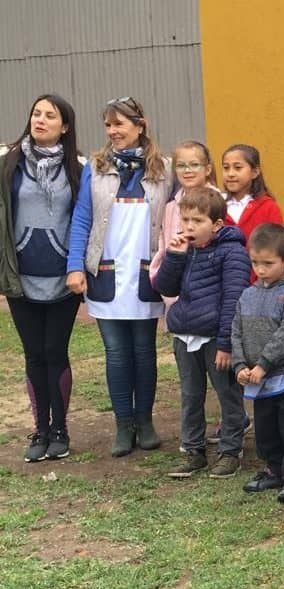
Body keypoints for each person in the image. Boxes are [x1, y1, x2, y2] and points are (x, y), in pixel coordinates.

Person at [65, 96, 173, 457]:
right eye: (108, 125)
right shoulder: (94, 168)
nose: (113, 132)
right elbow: (82, 218)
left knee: (144, 352)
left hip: (145, 272)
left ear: (139, 125)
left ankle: (145, 421)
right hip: (107, 272)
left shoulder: (164, 169)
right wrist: (76, 266)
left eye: (119, 124)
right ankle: (123, 425)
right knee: (115, 352)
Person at [0, 94, 83, 462]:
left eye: (51, 115)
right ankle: (40, 429)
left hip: (64, 279)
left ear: (64, 126)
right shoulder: (8, 164)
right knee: (34, 354)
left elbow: (84, 221)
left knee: (55, 351)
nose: (41, 120)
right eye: (36, 113)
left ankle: (60, 429)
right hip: (21, 278)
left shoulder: (77, 168)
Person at [154, 188, 250, 479]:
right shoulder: (186, 251)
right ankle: (193, 450)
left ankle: (230, 450)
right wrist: (174, 257)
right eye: (185, 220)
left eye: (197, 221)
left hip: (215, 339)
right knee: (190, 394)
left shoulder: (233, 252)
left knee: (228, 394)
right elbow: (166, 288)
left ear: (217, 225)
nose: (189, 227)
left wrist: (226, 344)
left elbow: (233, 300)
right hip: (185, 335)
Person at [232, 223, 284, 502]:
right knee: (265, 426)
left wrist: (264, 363)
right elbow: (237, 330)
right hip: (255, 375)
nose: (261, 270)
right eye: (255, 263)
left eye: (268, 263)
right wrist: (240, 365)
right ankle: (273, 468)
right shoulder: (247, 294)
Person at [151, 140, 220, 281]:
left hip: (209, 285)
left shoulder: (221, 202)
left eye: (194, 165)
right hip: (175, 291)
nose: (187, 170)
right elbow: (163, 249)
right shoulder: (169, 208)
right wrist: (160, 278)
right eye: (181, 166)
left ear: (207, 169)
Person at [221, 144, 283, 241]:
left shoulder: (269, 207)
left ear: (255, 172)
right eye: (226, 168)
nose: (230, 174)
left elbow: (277, 245)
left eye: (238, 168)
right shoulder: (217, 205)